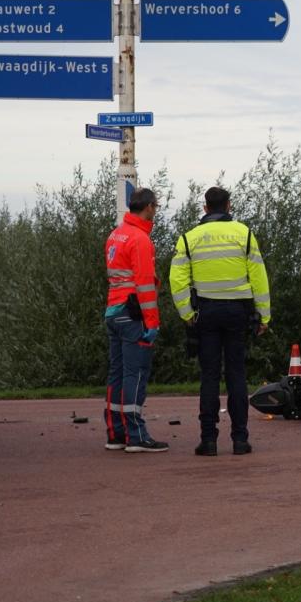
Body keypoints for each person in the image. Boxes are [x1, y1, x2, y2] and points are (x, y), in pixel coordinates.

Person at [170, 187, 270, 457]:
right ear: (228, 206)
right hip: (238, 312)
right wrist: (264, 314)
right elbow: (258, 277)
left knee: (209, 377)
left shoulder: (189, 238)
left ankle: (208, 440)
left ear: (205, 208)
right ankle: (240, 440)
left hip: (206, 312)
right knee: (237, 375)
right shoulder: (244, 233)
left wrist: (187, 314)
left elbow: (177, 280)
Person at [104, 188, 169, 453]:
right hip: (133, 314)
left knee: (117, 373)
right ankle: (136, 434)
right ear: (150, 207)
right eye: (157, 206)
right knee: (136, 373)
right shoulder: (140, 239)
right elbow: (144, 285)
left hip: (113, 310)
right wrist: (152, 323)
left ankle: (116, 433)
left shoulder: (115, 234)